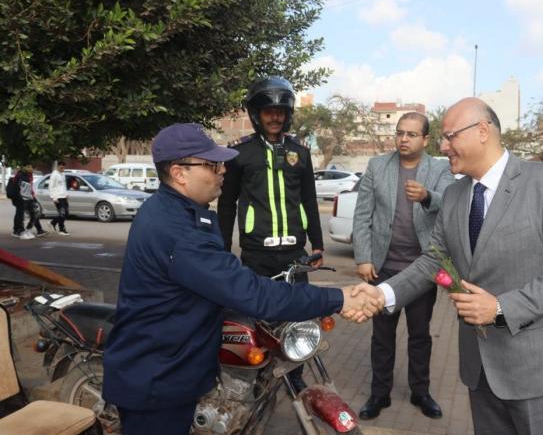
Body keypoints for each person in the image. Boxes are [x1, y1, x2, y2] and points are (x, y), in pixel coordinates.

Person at [103, 123, 378, 435]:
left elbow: (221, 273)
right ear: (179, 173)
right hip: (156, 381)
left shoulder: (180, 210)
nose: (223, 170)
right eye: (212, 164)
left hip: (170, 365)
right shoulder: (177, 231)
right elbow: (252, 293)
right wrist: (339, 298)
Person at [348, 98, 543, 434]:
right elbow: (435, 261)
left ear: (483, 131)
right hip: (480, 369)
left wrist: (500, 307)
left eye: (450, 136)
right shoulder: (453, 196)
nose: (442, 145)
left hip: (539, 369)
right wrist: (381, 294)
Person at [217, 77, 323, 393]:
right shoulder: (239, 153)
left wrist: (317, 244)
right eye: (267, 111)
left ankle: (295, 373)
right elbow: (226, 204)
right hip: (256, 253)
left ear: (288, 113)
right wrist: (223, 249)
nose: (274, 117)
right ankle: (256, 372)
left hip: (295, 253)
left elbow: (309, 199)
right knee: (256, 316)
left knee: (299, 315)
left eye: (280, 111)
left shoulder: (299, 152)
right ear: (256, 113)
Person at [352, 112, 454, 420]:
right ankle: (379, 394)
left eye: (411, 134)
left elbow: (449, 199)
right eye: (400, 133)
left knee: (420, 335)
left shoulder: (438, 168)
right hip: (383, 268)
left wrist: (426, 196)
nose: (404, 139)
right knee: (382, 336)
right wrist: (364, 257)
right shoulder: (377, 166)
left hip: (421, 269)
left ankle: (420, 392)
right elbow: (362, 215)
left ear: (425, 139)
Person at [18, 165, 47, 238]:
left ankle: (29, 230)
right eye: (31, 168)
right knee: (23, 217)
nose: (33, 169)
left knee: (34, 215)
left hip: (29, 198)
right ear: (27, 169)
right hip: (24, 199)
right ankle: (23, 232)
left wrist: (33, 197)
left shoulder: (28, 176)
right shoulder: (24, 177)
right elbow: (23, 189)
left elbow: (30, 189)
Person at [48, 161, 70, 235]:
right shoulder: (54, 175)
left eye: (63, 168)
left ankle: (52, 222)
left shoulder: (63, 174)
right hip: (58, 197)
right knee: (62, 213)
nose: (62, 169)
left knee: (66, 213)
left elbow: (64, 185)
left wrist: (66, 194)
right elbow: (51, 187)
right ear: (58, 167)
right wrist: (54, 197)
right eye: (61, 167)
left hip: (63, 196)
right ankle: (61, 230)